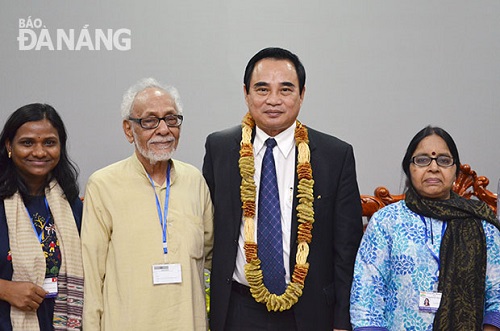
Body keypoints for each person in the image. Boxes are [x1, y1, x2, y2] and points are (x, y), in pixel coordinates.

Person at [203, 47, 363, 331]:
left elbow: (346, 248)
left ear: (302, 94)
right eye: (262, 89)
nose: (273, 100)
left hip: (311, 312)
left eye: (285, 90)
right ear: (246, 93)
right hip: (238, 310)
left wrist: (342, 321)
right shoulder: (220, 149)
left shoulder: (334, 155)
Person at [81, 78, 214, 331]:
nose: (164, 129)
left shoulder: (194, 180)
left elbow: (209, 257)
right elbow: (91, 275)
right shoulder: (103, 184)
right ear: (129, 130)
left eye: (171, 119)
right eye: (150, 121)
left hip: (188, 322)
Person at [350, 126, 500, 331]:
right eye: (422, 160)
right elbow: (366, 294)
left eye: (444, 160)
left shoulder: (481, 223)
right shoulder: (386, 221)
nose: (433, 167)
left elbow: (497, 293)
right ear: (408, 169)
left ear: (455, 170)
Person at [0, 103, 84, 330]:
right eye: (27, 143)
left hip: (60, 321)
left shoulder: (73, 206)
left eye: (49, 143)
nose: (39, 152)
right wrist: (5, 289)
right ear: (9, 146)